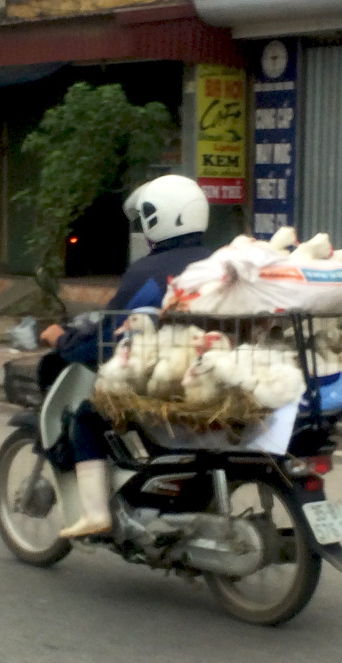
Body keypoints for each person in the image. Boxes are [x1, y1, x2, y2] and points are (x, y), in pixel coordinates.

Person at [38, 174, 212, 539]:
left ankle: (96, 514)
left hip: (164, 382)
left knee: (88, 416)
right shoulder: (220, 260)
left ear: (156, 218)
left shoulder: (148, 273)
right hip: (215, 375)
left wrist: (63, 342)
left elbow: (108, 338)